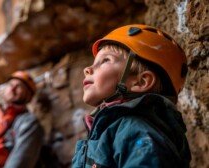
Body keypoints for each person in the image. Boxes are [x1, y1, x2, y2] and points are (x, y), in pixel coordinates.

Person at [72, 24, 191, 168]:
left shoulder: (136, 133)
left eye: (105, 60)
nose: (87, 69)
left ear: (141, 82)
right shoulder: (109, 131)